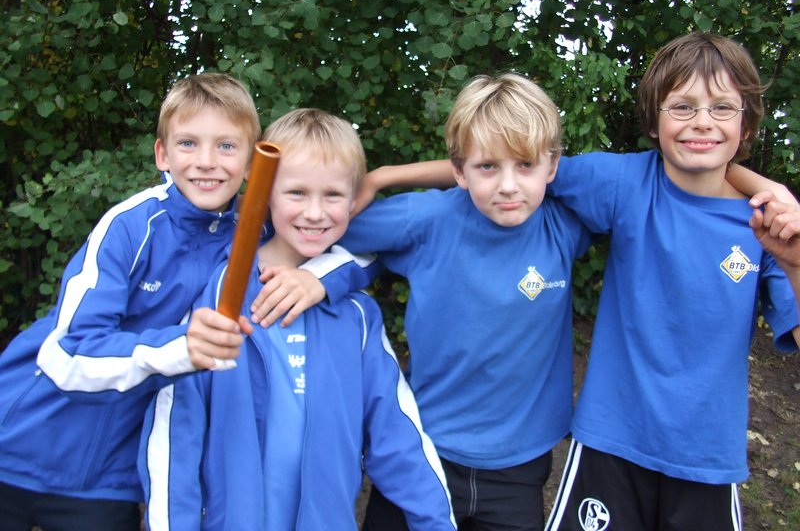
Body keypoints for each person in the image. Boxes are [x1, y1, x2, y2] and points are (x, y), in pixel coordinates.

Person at [0, 74, 335, 530]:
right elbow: (67, 357)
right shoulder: (130, 225)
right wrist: (182, 347)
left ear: (252, 162)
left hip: (108, 480)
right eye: (188, 144)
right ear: (162, 154)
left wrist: (319, 279)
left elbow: (351, 233)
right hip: (18, 444)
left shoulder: (260, 226)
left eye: (226, 146)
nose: (206, 162)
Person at [299, 74, 596, 531]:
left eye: (525, 165)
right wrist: (306, 275)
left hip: (520, 465)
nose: (509, 186)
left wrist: (388, 174)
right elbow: (320, 229)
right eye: (487, 167)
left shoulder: (565, 225)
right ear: (459, 171)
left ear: (552, 166)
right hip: (422, 450)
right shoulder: (427, 219)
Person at [138, 108, 457, 530]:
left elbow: (398, 437)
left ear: (354, 201)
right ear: (265, 192)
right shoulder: (217, 295)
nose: (315, 213)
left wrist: (436, 523)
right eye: (297, 193)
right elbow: (176, 435)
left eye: (333, 195)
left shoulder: (357, 317)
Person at [539, 32, 800, 531]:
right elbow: (512, 166)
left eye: (722, 107)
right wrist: (386, 179)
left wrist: (796, 265)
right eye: (682, 106)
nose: (702, 121)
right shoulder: (625, 183)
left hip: (706, 458)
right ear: (654, 122)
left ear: (746, 126)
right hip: (611, 442)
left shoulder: (769, 227)